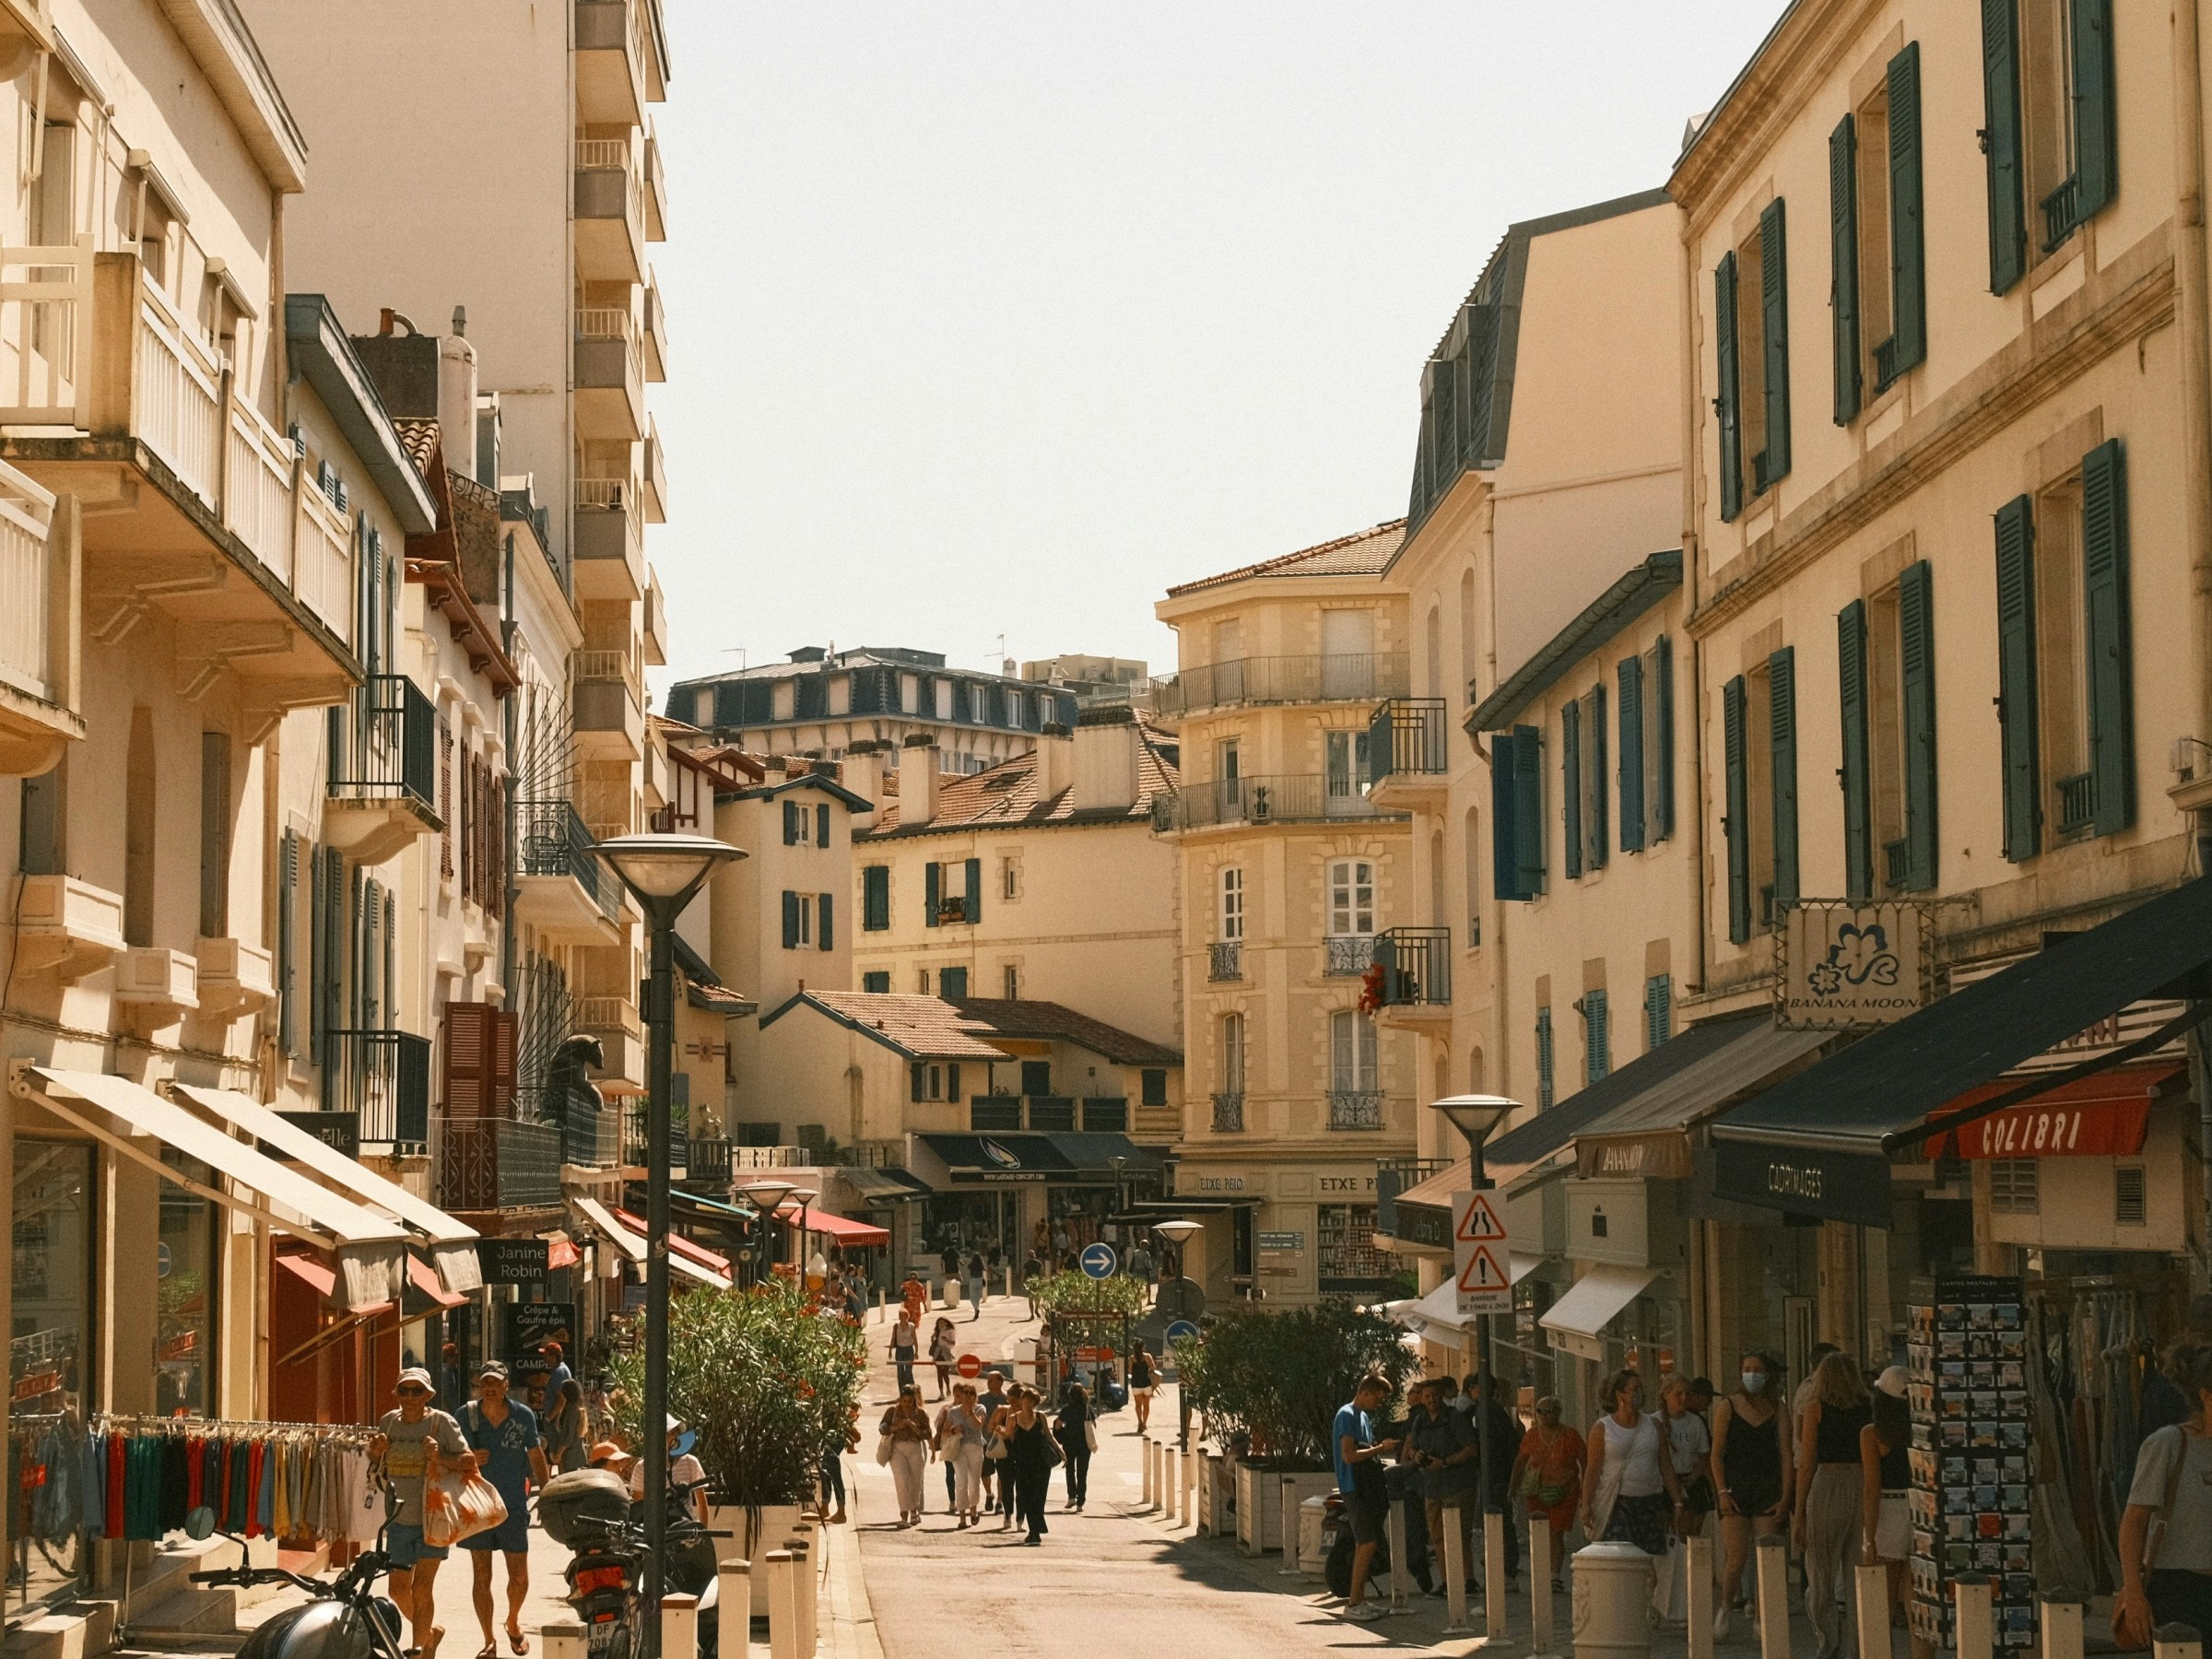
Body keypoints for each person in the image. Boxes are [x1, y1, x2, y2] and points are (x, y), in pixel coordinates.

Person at [2116, 1340, 2212, 1644]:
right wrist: (2133, 1591)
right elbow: (2134, 1520)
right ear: (2206, 1397)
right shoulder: (2169, 1444)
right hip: (2179, 1587)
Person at [371, 1367, 469, 1659]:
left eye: (417, 1391)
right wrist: (374, 1451)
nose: (410, 1397)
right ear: (396, 1394)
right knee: (398, 1590)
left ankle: (417, 1651)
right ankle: (429, 1634)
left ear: (428, 1395)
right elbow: (374, 1465)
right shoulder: (388, 1423)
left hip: (434, 1518)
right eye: (405, 1390)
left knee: (422, 1587)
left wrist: (439, 1455)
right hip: (399, 1519)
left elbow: (467, 1461)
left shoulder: (442, 1423)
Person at [457, 1363, 549, 1659]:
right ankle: (488, 1640)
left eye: (495, 1382)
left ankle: (512, 1620)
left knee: (519, 1576)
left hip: (512, 1507)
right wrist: (468, 1458)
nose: (489, 1388)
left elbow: (535, 1454)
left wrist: (548, 1494)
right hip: (478, 1508)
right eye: (485, 1382)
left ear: (506, 1385)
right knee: (481, 1575)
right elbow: (449, 1457)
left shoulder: (523, 1416)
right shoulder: (465, 1416)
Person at [1794, 1351, 1877, 1659]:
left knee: (1820, 1573)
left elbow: (1806, 1463)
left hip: (1827, 1482)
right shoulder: (1869, 1409)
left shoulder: (1815, 1410)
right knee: (1858, 1571)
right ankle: (1857, 1647)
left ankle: (1828, 1642)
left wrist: (1799, 1511)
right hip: (1863, 1483)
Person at [1711, 1351, 1793, 1640]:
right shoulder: (1728, 1406)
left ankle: (1761, 1615)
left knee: (1766, 1555)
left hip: (1767, 1486)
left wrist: (1786, 1496)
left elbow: (1785, 1452)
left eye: (1758, 1369)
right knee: (1736, 1557)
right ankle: (1725, 1607)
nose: (1752, 1374)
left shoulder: (1778, 1408)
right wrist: (1721, 1491)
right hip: (1735, 1486)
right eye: (1747, 1369)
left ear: (1768, 1374)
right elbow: (1717, 1454)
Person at [1334, 1372, 1402, 1622]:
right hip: (1353, 1486)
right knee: (1367, 1542)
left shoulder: (1362, 1417)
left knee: (1365, 1543)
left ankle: (1359, 1599)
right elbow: (1349, 1455)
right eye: (1377, 1398)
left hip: (1367, 1486)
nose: (1378, 1404)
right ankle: (1352, 1602)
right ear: (1365, 1392)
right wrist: (1380, 1448)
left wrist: (1378, 1450)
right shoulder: (1347, 1415)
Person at [1404, 1378, 1477, 1594]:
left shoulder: (1455, 1418)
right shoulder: (1420, 1421)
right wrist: (1415, 1455)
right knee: (1437, 1536)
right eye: (1427, 1396)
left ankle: (1468, 1580)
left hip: (1458, 1485)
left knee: (1461, 1535)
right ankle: (1446, 1583)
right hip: (1432, 1486)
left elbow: (1471, 1449)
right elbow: (1411, 1448)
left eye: (1434, 1395)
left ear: (1441, 1396)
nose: (1431, 1400)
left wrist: (1445, 1462)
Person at [1509, 1396, 1584, 1592]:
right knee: (1540, 1532)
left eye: (1549, 1410)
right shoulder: (1532, 1435)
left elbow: (1585, 1462)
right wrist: (1512, 1487)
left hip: (1565, 1491)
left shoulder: (1570, 1435)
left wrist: (1587, 1491)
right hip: (1536, 1491)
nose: (1544, 1415)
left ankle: (1554, 1576)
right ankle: (1541, 1572)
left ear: (1557, 1412)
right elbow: (1520, 1461)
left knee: (1556, 1532)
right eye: (1540, 1411)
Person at [1655, 1375, 1713, 1626]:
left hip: (1689, 1483)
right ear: (1666, 1395)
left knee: (1687, 1541)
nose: (1683, 1399)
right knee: (1662, 1543)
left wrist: (1695, 1476)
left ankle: (1685, 1601)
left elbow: (1704, 1455)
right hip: (1662, 1486)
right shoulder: (1655, 1422)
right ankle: (1658, 1600)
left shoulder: (1696, 1423)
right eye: (1678, 1394)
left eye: (1686, 1394)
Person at [1868, 1366, 1912, 1625]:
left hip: (1888, 1507)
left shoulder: (1873, 1435)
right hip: (1920, 1507)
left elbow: (1871, 1488)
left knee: (1884, 1593)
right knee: (1915, 1592)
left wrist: (1868, 1536)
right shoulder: (1922, 1430)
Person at [1478, 1374, 1524, 1588]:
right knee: (1495, 1521)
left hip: (1496, 1475)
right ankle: (1500, 1565)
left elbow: (1510, 1443)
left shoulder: (1492, 1411)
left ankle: (1507, 1568)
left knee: (1501, 1521)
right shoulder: (1492, 1411)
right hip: (1494, 1474)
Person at [627, 1416, 710, 1527]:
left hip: (685, 1529)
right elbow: (639, 1506)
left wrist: (701, 1533)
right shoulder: (642, 1467)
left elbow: (701, 1501)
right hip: (655, 1531)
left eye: (676, 1432)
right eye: (669, 1434)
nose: (674, 1437)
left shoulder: (691, 1462)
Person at [1005, 1385, 1060, 1543]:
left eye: (1032, 1402)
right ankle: (1035, 1530)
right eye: (1026, 1400)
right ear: (1021, 1401)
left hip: (1041, 1464)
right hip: (1022, 1463)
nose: (1029, 1404)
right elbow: (1008, 1436)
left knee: (1039, 1498)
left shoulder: (1040, 1416)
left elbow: (1049, 1437)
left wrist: (1060, 1452)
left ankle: (1035, 1532)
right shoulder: (1013, 1418)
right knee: (1025, 1497)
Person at [880, 1384, 932, 1526]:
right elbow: (882, 1428)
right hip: (897, 1447)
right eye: (904, 1401)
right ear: (901, 1399)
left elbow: (928, 1433)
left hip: (915, 1447)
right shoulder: (893, 1411)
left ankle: (914, 1509)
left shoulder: (921, 1413)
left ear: (914, 1400)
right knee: (902, 1481)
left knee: (915, 1481)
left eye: (910, 1402)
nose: (907, 1405)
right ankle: (904, 1514)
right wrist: (898, 1426)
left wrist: (915, 1428)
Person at [938, 1383, 989, 1527]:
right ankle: (962, 1518)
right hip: (958, 1448)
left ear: (975, 1396)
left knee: (974, 1481)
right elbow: (945, 1432)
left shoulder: (980, 1409)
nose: (967, 1396)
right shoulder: (953, 1412)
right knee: (961, 1481)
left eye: (971, 1393)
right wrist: (954, 1431)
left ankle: (973, 1510)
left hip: (975, 1447)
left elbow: (978, 1426)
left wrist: (970, 1412)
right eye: (965, 1393)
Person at [1053, 1381, 1093, 1511]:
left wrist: (1060, 1435)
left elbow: (1058, 1425)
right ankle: (1080, 1502)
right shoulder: (1088, 1408)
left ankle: (1071, 1497)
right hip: (1085, 1444)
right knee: (1082, 1473)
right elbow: (1092, 1424)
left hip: (1070, 1443)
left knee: (1070, 1470)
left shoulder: (1066, 1409)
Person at [978, 1370, 1012, 1522]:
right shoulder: (981, 1398)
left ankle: (1000, 1502)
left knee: (1003, 1471)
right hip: (985, 1439)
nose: (989, 1383)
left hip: (1003, 1439)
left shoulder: (1007, 1399)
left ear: (1000, 1382)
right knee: (984, 1471)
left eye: (992, 1380)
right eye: (988, 1380)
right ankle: (989, 1494)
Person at [821, 1403, 858, 1524]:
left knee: (834, 1472)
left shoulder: (836, 1398)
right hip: (831, 1434)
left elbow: (853, 1405)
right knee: (826, 1471)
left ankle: (841, 1512)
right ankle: (825, 1507)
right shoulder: (829, 1396)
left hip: (835, 1436)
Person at [1128, 1343, 1159, 1434]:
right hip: (1146, 1383)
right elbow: (1153, 1367)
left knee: (1138, 1405)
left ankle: (1139, 1422)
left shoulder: (1131, 1358)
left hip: (1136, 1384)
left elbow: (1130, 1370)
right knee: (1146, 1405)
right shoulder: (1147, 1356)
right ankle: (1144, 1424)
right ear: (1142, 1348)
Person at [888, 1309, 918, 1394]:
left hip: (909, 1349)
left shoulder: (911, 1326)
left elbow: (915, 1339)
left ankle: (912, 1391)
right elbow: (893, 1338)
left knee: (908, 1372)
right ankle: (902, 1393)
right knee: (900, 1372)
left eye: (904, 1316)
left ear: (907, 1316)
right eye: (900, 1316)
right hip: (900, 1350)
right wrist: (890, 1351)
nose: (902, 1318)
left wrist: (916, 1352)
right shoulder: (896, 1326)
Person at [928, 1317, 956, 1401]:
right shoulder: (937, 1331)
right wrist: (933, 1339)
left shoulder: (950, 1331)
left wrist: (947, 1340)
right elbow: (934, 1342)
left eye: (942, 1323)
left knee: (945, 1372)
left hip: (946, 1352)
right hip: (938, 1352)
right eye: (939, 1323)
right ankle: (941, 1392)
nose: (941, 1325)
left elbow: (953, 1343)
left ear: (946, 1323)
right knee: (939, 1373)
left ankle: (947, 1386)